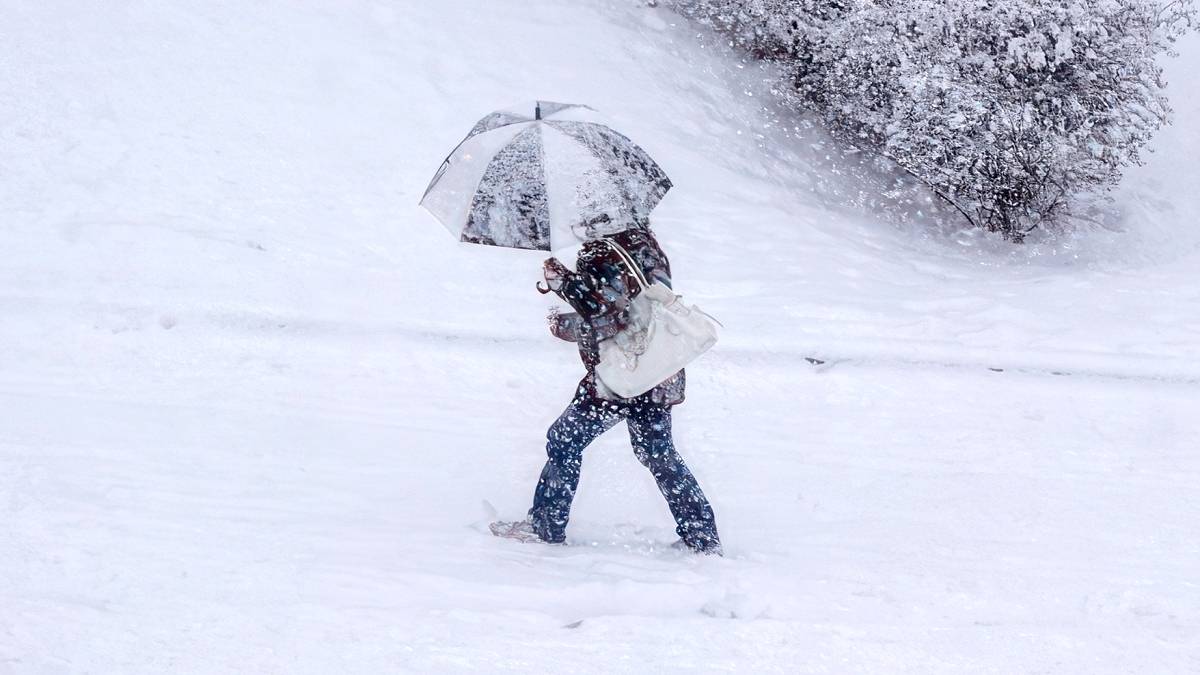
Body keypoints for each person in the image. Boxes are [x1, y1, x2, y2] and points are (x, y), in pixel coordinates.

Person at [490, 215, 722, 555]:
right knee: (658, 455)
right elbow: (640, 309)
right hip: (658, 372)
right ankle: (702, 537)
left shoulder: (599, 255)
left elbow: (609, 317)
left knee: (563, 440)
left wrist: (564, 288)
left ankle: (546, 525)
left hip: (619, 379)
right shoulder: (646, 247)